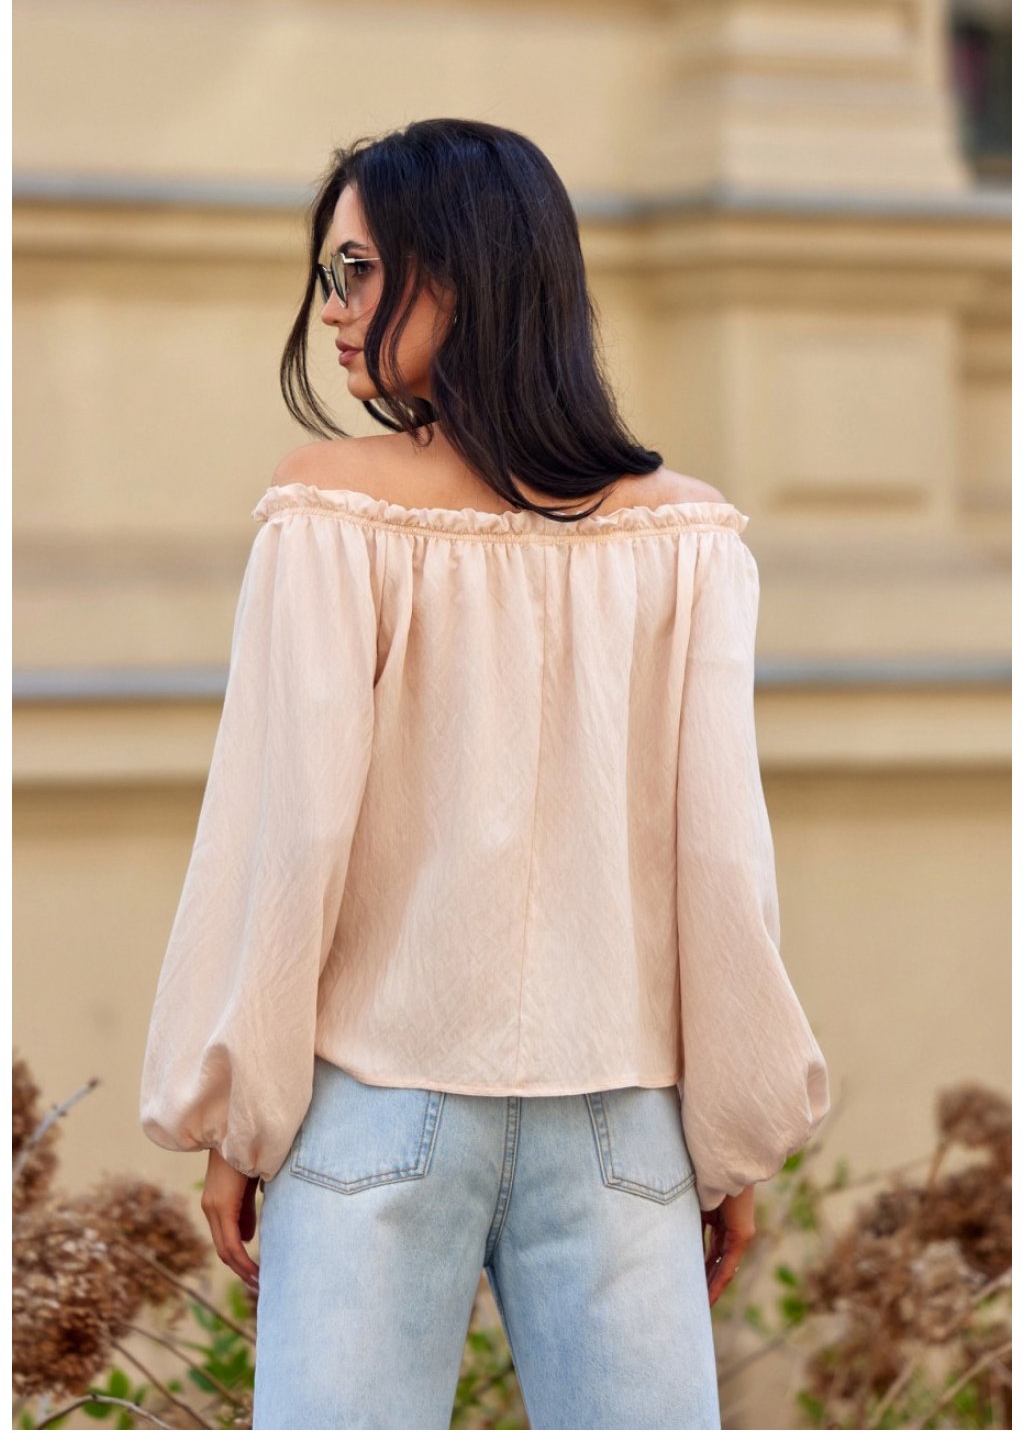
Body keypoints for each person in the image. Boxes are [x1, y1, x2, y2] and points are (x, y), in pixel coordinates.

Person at [140, 118, 830, 1430]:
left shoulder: (332, 513)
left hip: (375, 1104)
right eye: (329, 276)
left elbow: (288, 839)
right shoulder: (685, 537)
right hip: (623, 1118)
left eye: (356, 271)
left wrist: (240, 1114)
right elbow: (720, 861)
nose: (330, 311)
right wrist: (731, 1126)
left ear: (458, 275)